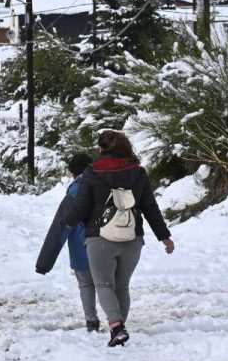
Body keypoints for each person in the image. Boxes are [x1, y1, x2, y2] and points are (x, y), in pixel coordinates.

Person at [66, 130, 175, 348]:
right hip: (132, 238)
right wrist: (164, 237)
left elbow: (81, 207)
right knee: (121, 286)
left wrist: (69, 221)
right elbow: (150, 208)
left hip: (100, 238)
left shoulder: (92, 172)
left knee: (104, 285)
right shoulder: (138, 172)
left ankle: (116, 327)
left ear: (100, 149)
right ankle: (119, 327)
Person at [35, 152, 99, 333]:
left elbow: (60, 226)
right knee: (106, 284)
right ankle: (116, 321)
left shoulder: (75, 191)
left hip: (82, 245)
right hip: (107, 242)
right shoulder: (105, 183)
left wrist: (44, 263)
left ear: (73, 173)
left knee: (86, 284)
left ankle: (91, 321)